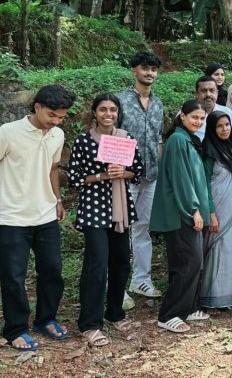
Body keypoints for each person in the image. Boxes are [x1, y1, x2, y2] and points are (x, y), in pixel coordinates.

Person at [0, 85, 75, 351]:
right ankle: (16, 328)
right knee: (13, 276)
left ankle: (46, 319)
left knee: (52, 271)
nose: (56, 122)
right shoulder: (7, 133)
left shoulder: (57, 134)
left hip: (45, 215)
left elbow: (53, 168)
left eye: (61, 117)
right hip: (11, 217)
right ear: (37, 107)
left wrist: (56, 200)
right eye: (52, 115)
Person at [69, 94, 143, 346]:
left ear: (118, 113)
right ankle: (90, 323)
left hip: (119, 208)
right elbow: (75, 178)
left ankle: (114, 313)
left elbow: (138, 171)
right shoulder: (83, 141)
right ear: (94, 112)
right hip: (93, 209)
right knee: (97, 265)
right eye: (102, 109)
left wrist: (124, 172)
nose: (108, 114)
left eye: (112, 109)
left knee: (121, 262)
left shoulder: (126, 139)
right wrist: (102, 175)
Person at [150, 100, 211, 333]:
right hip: (180, 214)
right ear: (182, 116)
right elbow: (181, 179)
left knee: (193, 262)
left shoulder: (186, 139)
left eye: (201, 118)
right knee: (187, 262)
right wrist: (193, 209)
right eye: (194, 117)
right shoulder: (177, 140)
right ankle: (169, 314)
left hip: (187, 212)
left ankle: (185, 308)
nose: (198, 121)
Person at [117, 50, 164, 308]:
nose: (150, 73)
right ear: (134, 70)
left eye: (154, 69)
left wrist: (158, 169)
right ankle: (118, 285)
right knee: (120, 229)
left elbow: (158, 138)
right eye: (145, 68)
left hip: (151, 176)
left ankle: (141, 279)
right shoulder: (120, 101)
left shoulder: (158, 103)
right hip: (124, 176)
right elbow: (112, 137)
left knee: (143, 228)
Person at [200, 112, 232, 313]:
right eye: (219, 126)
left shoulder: (231, 149)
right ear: (212, 129)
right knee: (217, 252)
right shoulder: (209, 152)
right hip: (218, 211)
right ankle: (211, 298)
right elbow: (204, 185)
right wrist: (210, 213)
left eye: (227, 125)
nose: (225, 129)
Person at [194, 76, 232, 141]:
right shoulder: (188, 113)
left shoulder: (226, 112)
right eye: (204, 91)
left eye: (212, 90)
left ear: (217, 93)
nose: (208, 94)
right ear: (197, 94)